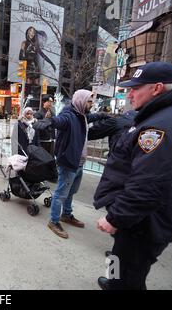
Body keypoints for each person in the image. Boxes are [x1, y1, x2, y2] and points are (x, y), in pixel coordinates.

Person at [94, 62, 172, 290]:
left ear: (157, 88)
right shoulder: (165, 115)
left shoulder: (163, 126)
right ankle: (112, 281)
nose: (130, 93)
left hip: (141, 222)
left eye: (136, 88)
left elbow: (149, 185)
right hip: (139, 219)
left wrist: (115, 218)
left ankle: (115, 284)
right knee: (119, 260)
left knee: (128, 276)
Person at [36, 90, 106, 239]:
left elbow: (90, 116)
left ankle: (66, 215)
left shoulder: (81, 115)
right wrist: (51, 121)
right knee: (61, 193)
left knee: (71, 191)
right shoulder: (68, 115)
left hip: (79, 162)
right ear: (81, 101)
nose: (91, 105)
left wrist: (102, 115)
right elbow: (60, 121)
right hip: (68, 162)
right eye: (89, 102)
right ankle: (54, 221)